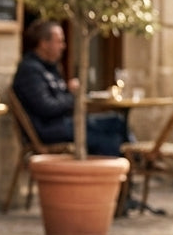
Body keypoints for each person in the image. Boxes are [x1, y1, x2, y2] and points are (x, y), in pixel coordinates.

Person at [12, 19, 129, 156]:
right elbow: (46, 107)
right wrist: (72, 96)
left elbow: (56, 99)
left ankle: (135, 160)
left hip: (63, 124)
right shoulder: (30, 70)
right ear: (44, 44)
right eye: (59, 41)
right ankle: (134, 161)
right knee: (109, 138)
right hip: (50, 129)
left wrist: (67, 92)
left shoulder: (51, 67)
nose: (63, 46)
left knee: (116, 121)